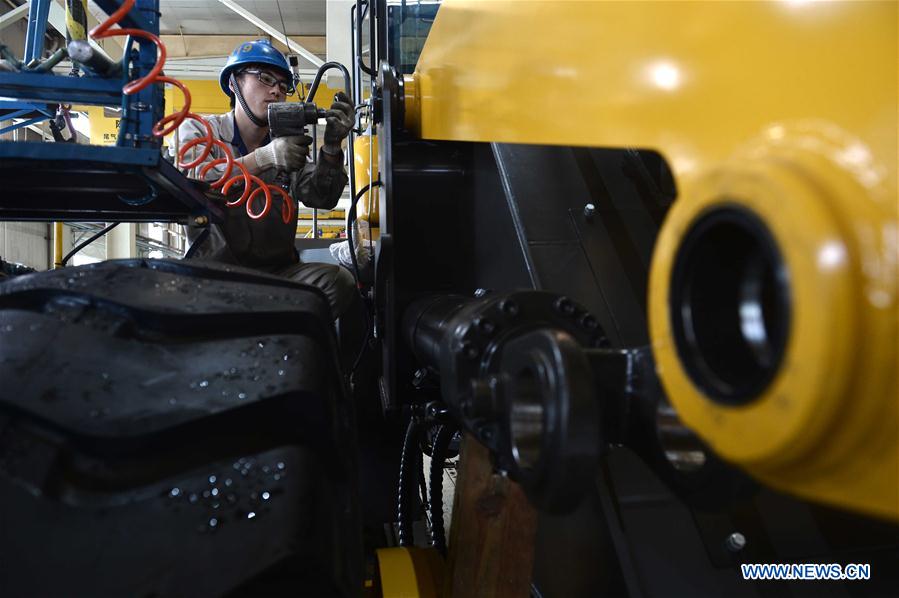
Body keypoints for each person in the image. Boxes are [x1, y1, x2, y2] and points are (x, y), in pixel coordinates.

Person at [173, 39, 356, 318]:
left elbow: (324, 196)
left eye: (283, 86)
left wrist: (331, 147)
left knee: (337, 282)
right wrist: (263, 159)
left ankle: (280, 339)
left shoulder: (287, 148)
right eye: (265, 78)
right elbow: (200, 178)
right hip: (215, 275)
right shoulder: (200, 129)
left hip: (278, 275)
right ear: (234, 84)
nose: (276, 90)